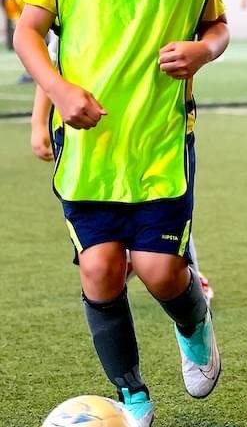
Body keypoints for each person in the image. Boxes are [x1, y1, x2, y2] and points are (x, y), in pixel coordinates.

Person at [13, 0, 227, 427]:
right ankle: (131, 393)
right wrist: (53, 95)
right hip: (88, 148)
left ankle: (195, 328)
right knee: (101, 270)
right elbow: (31, 32)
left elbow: (215, 26)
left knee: (160, 271)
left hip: (160, 141)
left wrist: (204, 51)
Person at [30, 85, 214, 304]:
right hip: (95, 139)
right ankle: (129, 259)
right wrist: (38, 122)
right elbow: (51, 61)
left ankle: (184, 271)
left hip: (152, 130)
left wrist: (205, 52)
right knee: (102, 252)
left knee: (163, 201)